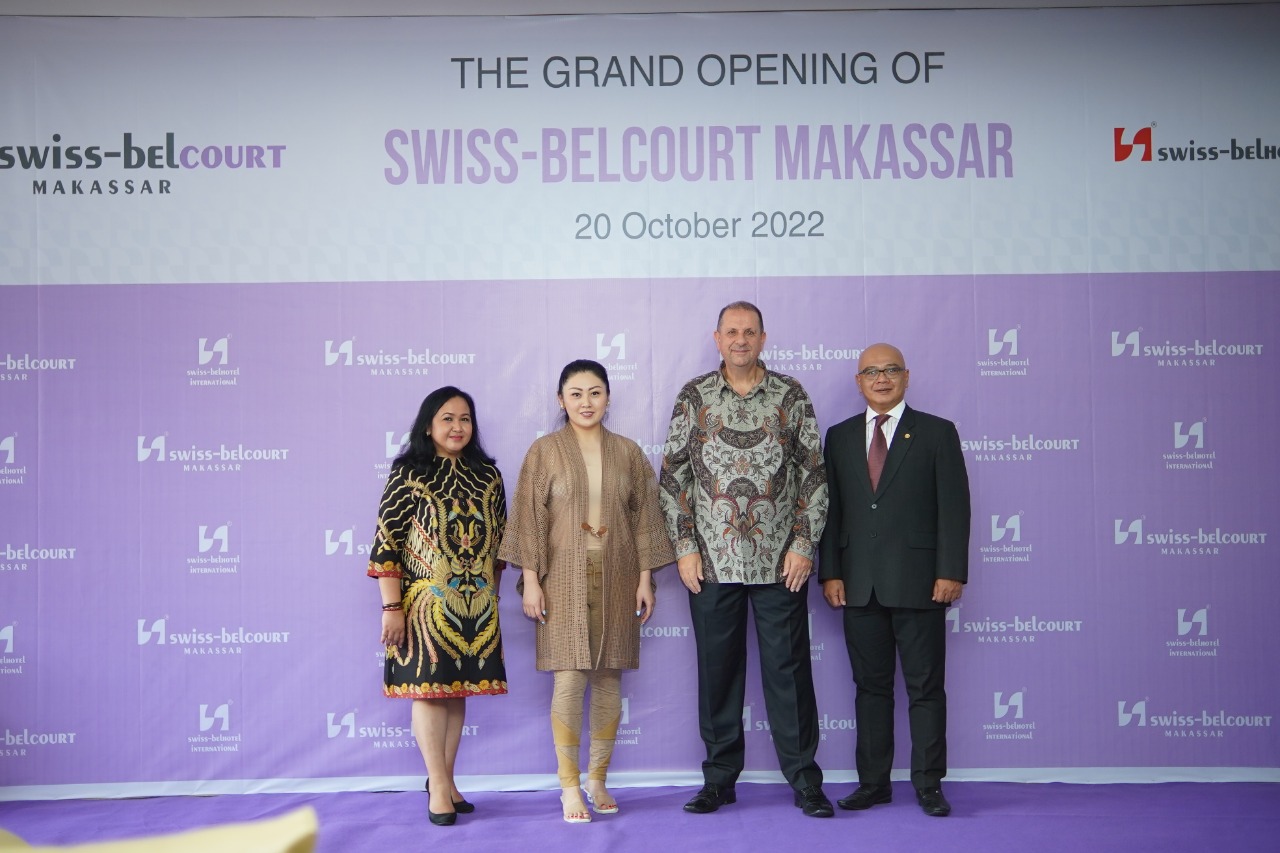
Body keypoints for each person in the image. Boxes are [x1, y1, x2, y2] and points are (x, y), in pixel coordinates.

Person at [659, 301, 833, 819]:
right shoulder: (694, 396)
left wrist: (803, 544)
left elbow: (814, 473)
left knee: (789, 674)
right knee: (717, 675)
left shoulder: (790, 394)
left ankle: (805, 782)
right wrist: (685, 547)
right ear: (717, 339)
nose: (740, 340)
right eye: (732, 332)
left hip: (780, 563)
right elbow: (673, 478)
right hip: (710, 565)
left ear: (763, 338)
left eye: (749, 332)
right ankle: (718, 781)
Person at [500, 359, 675, 824]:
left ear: (608, 398)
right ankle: (569, 786)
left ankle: (598, 778)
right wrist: (531, 580)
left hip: (618, 573)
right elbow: (529, 519)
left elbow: (646, 519)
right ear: (561, 400)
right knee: (569, 676)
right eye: (575, 394)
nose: (586, 402)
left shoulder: (628, 453)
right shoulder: (544, 451)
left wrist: (645, 579)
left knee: (609, 677)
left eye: (595, 392)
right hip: (560, 576)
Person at [818, 342, 971, 818]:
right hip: (858, 584)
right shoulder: (839, 436)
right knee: (871, 690)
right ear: (858, 381)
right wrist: (831, 571)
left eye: (890, 370)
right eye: (871, 372)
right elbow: (831, 511)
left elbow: (955, 507)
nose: (880, 379)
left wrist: (950, 571)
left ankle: (929, 785)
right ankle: (873, 784)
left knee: (925, 689)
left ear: (906, 376)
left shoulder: (937, 432)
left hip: (921, 583)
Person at [367, 387, 508, 827]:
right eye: (447, 418)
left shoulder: (488, 476)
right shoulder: (409, 473)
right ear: (428, 425)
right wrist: (392, 607)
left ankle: (443, 781)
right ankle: (440, 788)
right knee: (429, 692)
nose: (457, 427)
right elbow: (387, 543)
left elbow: (499, 545)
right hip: (424, 605)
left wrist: (493, 598)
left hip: (478, 604)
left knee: (456, 690)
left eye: (465, 418)